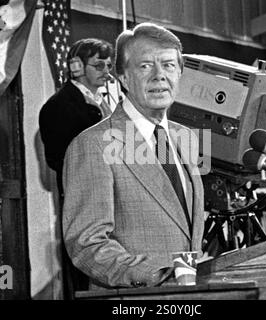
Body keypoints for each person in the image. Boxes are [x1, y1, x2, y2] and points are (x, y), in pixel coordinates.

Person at [62, 22, 205, 289]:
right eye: (145, 66)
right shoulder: (92, 145)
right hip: (133, 300)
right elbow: (86, 243)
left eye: (169, 65)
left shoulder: (187, 138)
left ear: (180, 75)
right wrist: (152, 276)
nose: (159, 76)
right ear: (124, 78)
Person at [39, 38, 114, 197]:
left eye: (109, 65)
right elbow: (58, 159)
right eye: (99, 65)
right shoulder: (57, 106)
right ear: (77, 66)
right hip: (84, 197)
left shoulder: (105, 102)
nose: (107, 72)